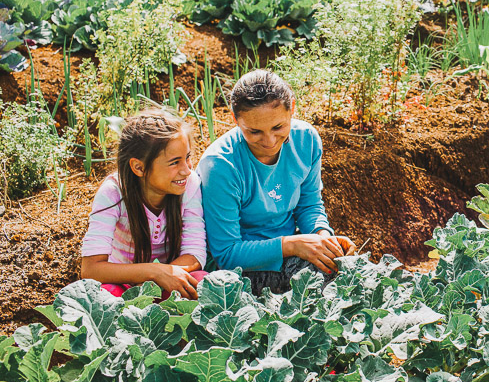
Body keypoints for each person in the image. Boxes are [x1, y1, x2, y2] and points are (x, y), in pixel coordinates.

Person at [197, 70, 356, 296]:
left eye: (278, 127)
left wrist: (323, 238)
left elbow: (309, 205)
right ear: (235, 120)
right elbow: (227, 254)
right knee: (324, 286)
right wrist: (291, 245)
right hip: (241, 268)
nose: (269, 141)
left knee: (348, 271)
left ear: (292, 108)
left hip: (290, 245)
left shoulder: (306, 140)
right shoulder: (220, 166)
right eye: (254, 132)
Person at [81, 109, 207, 299]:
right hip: (122, 281)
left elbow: (194, 253)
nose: (187, 170)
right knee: (102, 296)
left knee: (202, 282)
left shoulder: (189, 186)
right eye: (174, 163)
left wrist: (164, 276)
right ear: (139, 167)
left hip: (171, 277)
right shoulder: (113, 193)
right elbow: (91, 269)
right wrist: (154, 273)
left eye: (187, 158)